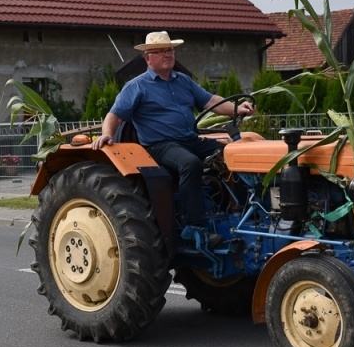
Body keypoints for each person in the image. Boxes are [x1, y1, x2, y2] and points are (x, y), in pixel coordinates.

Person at [93, 31, 253, 238]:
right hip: (160, 145)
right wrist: (107, 134)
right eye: (159, 51)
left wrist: (237, 109)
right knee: (190, 163)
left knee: (235, 155)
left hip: (190, 140)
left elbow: (211, 101)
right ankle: (194, 226)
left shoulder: (183, 81)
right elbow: (114, 115)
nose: (167, 54)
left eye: (169, 50)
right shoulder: (137, 86)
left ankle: (241, 213)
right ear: (148, 58)